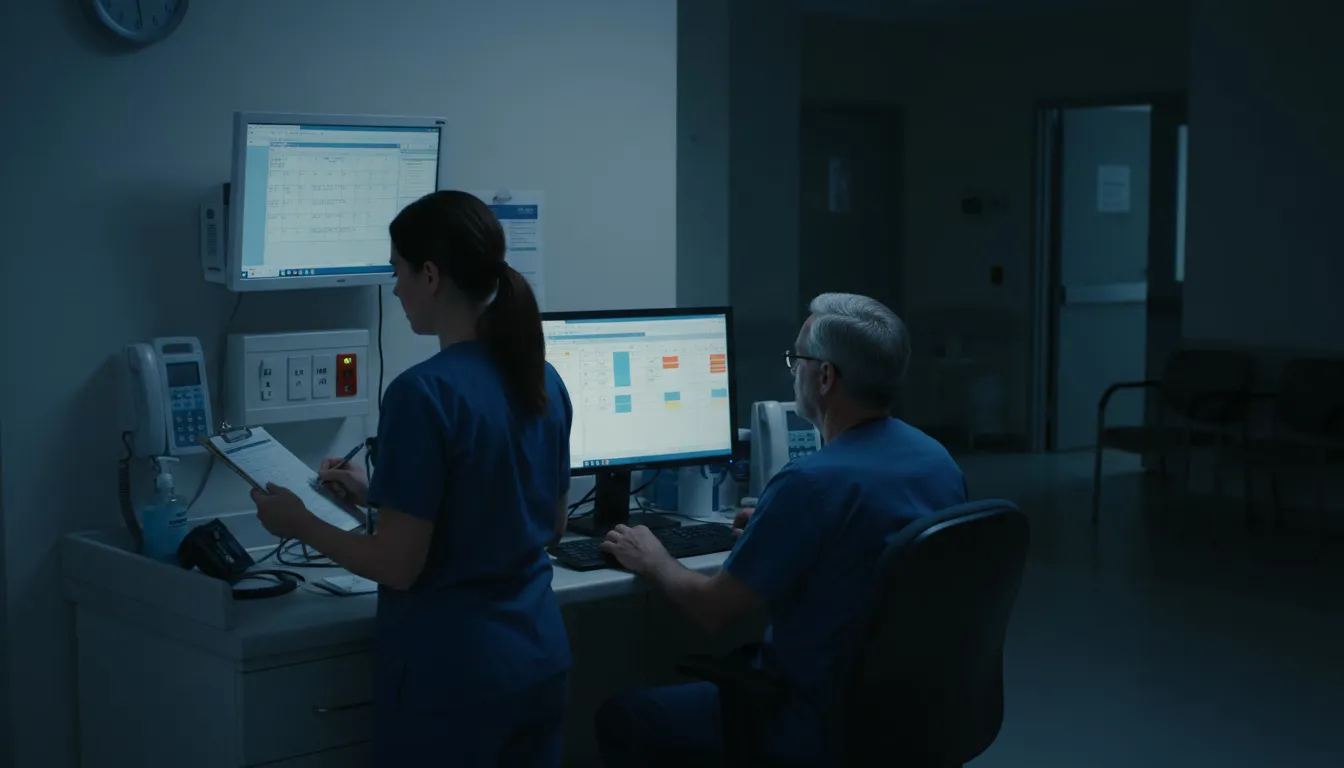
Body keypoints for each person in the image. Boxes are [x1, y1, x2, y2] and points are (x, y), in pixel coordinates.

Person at [250, 190, 573, 767]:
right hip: (537, 662)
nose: (394, 288)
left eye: (397, 270)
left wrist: (297, 520)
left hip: (455, 677)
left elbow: (398, 566)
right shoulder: (542, 377)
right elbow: (547, 522)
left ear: (430, 275)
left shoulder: (423, 394)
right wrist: (386, 498)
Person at [595, 293, 967, 767]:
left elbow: (713, 610)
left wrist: (652, 557)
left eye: (798, 359)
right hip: (907, 716)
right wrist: (775, 528)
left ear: (826, 377)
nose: (793, 371)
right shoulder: (936, 460)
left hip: (811, 718)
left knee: (626, 716)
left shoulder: (811, 483)